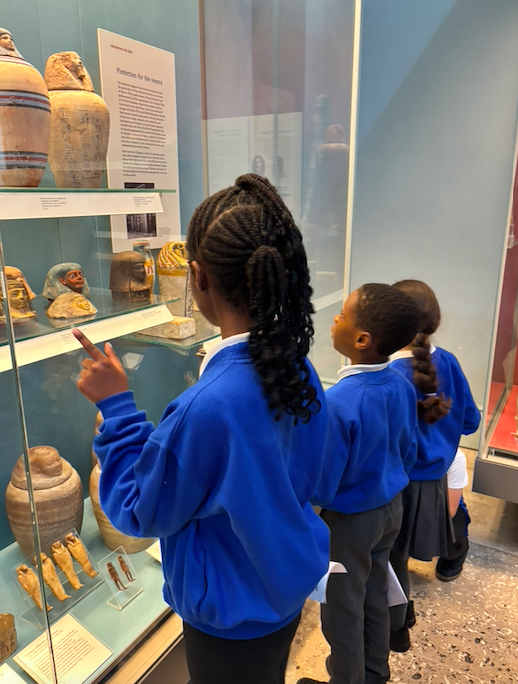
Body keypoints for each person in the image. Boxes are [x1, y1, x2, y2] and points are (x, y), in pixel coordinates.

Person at [73, 173, 332, 684]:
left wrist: (117, 409)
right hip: (283, 589)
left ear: (198, 276)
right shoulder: (296, 367)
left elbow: (139, 510)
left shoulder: (207, 408)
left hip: (227, 620)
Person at [297, 284, 420, 684]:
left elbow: (323, 483)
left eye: (343, 315)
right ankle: (374, 671)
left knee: (341, 609)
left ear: (362, 339)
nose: (335, 319)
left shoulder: (339, 403)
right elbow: (410, 449)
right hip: (391, 509)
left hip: (350, 523)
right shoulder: (401, 384)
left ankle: (346, 678)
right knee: (374, 592)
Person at [388, 280, 480, 652]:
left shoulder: (391, 376)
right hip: (439, 474)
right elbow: (470, 420)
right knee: (451, 515)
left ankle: (398, 624)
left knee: (393, 555)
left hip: (401, 482)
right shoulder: (450, 362)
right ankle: (451, 559)